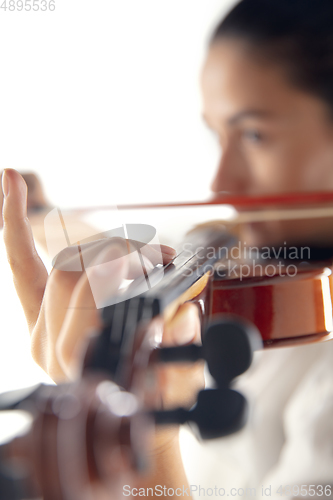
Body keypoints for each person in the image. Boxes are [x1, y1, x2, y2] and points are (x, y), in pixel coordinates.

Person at [2, 0, 333, 497]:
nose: (222, 183)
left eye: (255, 134)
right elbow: (127, 246)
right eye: (218, 134)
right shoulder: (248, 247)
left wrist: (150, 456)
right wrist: (41, 218)